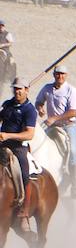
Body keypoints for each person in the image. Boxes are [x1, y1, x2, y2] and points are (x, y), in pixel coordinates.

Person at [34, 66, 76, 194]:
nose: (60, 76)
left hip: (68, 126)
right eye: (57, 74)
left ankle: (75, 185)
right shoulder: (47, 88)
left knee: (72, 150)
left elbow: (73, 112)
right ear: (54, 75)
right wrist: (40, 108)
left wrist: (55, 118)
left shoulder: (71, 90)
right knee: (38, 144)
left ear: (66, 75)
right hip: (52, 126)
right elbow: (38, 101)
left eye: (62, 74)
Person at [0, 78, 39, 233]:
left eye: (20, 89)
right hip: (2, 142)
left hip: (18, 147)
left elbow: (29, 135)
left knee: (24, 173)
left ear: (26, 90)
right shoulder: (8, 104)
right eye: (15, 89)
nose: (17, 91)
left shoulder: (30, 110)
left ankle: (24, 211)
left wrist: (8, 136)